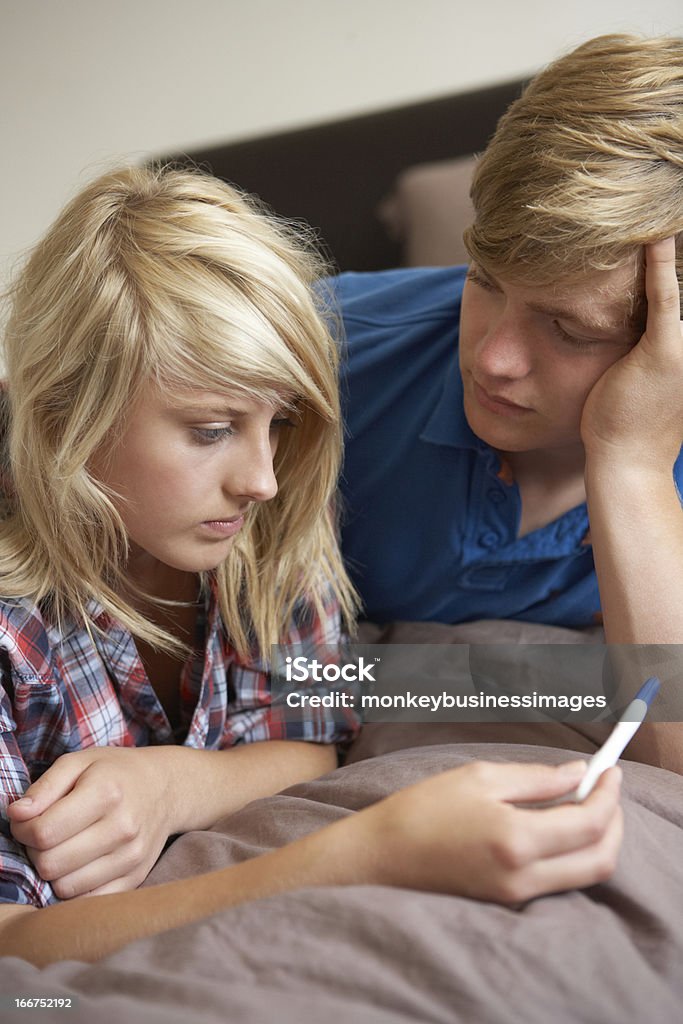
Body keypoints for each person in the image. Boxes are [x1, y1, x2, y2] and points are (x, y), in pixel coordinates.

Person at [0, 165, 622, 965]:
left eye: (278, 421)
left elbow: (307, 737)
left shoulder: (266, 527)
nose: (261, 477)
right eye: (211, 428)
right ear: (64, 414)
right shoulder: (21, 635)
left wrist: (175, 785)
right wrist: (356, 854)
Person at [337, 34, 683, 648]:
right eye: (485, 281)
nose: (492, 360)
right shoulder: (315, 353)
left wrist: (632, 466)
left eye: (571, 330)